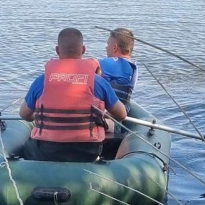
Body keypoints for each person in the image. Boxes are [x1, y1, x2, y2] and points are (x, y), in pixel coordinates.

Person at [19, 27, 127, 163]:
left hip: (46, 152)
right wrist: (102, 117)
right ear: (83, 50)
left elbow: (24, 114)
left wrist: (40, 116)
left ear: (57, 50)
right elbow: (121, 114)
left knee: (25, 148)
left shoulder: (41, 81)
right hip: (87, 152)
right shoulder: (98, 82)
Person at [98, 27, 137, 112]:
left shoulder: (111, 63)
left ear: (115, 47)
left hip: (109, 115)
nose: (106, 47)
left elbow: (86, 67)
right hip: (122, 111)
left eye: (108, 44)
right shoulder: (133, 66)